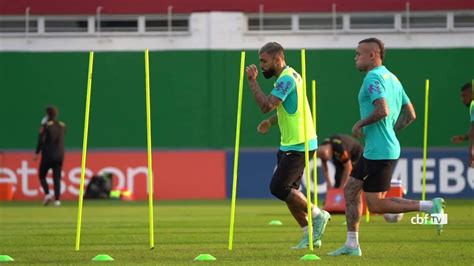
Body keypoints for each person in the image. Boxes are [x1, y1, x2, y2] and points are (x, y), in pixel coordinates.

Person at [328, 38, 445, 257]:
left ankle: (430, 207)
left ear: (372, 55)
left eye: (358, 54)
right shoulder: (393, 78)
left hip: (379, 150)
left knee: (377, 205)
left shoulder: (373, 77)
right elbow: (410, 115)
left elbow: (382, 110)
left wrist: (360, 123)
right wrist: (390, 132)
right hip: (378, 148)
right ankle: (351, 245)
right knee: (351, 190)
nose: (355, 58)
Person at [246, 42, 331, 249]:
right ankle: (309, 235)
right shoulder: (290, 76)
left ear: (277, 59)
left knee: (278, 187)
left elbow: (267, 105)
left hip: (300, 143)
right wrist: (271, 123)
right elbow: (289, 108)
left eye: (264, 61)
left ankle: (319, 215)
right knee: (290, 192)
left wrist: (252, 82)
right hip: (289, 144)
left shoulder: (286, 79)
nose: (262, 66)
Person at [34, 106, 66, 206]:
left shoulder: (46, 125)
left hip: (48, 155)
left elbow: (41, 140)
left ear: (47, 115)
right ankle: (57, 200)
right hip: (60, 155)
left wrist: (37, 152)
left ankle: (47, 194)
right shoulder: (62, 125)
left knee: (42, 175)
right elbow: (65, 133)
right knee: (57, 178)